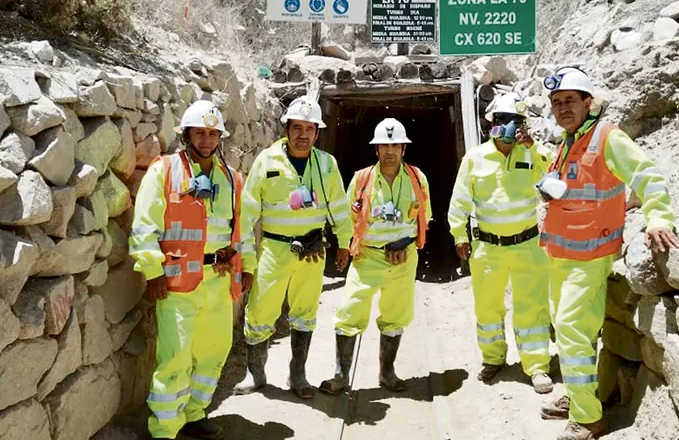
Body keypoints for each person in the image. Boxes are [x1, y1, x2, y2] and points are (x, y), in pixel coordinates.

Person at [536, 66, 679, 440]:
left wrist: (659, 217)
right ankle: (583, 393)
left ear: (588, 102)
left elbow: (647, 174)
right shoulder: (569, 141)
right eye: (556, 103)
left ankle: (587, 417)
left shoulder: (607, 138)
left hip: (589, 257)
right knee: (567, 330)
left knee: (572, 330)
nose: (562, 108)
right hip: (561, 256)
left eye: (570, 101)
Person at [128, 100, 255, 440]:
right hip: (178, 280)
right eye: (199, 132)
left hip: (218, 279)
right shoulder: (164, 171)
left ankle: (195, 414)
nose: (206, 139)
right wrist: (152, 272)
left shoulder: (232, 178)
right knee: (175, 357)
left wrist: (245, 266)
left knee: (215, 350)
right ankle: (163, 433)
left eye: (213, 133)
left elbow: (241, 229)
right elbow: (144, 226)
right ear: (186, 135)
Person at [235, 95, 352, 399]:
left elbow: (339, 205)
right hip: (275, 249)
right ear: (286, 129)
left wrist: (342, 241)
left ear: (317, 133)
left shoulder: (326, 165)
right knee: (261, 310)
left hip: (313, 252)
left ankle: (297, 375)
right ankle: (256, 373)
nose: (303, 134)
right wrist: (245, 256)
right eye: (297, 127)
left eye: (309, 128)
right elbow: (248, 210)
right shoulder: (267, 160)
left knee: (305, 312)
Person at [447, 91, 557, 393]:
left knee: (532, 308)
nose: (510, 126)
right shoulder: (475, 158)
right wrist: (460, 235)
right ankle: (493, 359)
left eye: (516, 120)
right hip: (488, 247)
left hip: (527, 245)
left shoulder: (531, 154)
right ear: (491, 123)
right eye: (504, 119)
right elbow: (459, 202)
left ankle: (536, 365)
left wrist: (533, 148)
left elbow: (555, 174)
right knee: (488, 308)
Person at [319, 118, 432, 395]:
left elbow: (423, 219)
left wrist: (403, 243)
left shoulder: (418, 178)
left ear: (404, 149)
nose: (390, 150)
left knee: (396, 314)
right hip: (367, 256)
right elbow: (346, 218)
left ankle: (387, 371)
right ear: (376, 149)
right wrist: (344, 248)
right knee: (349, 311)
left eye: (395, 145)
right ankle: (340, 374)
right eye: (384, 145)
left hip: (403, 260)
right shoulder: (361, 179)